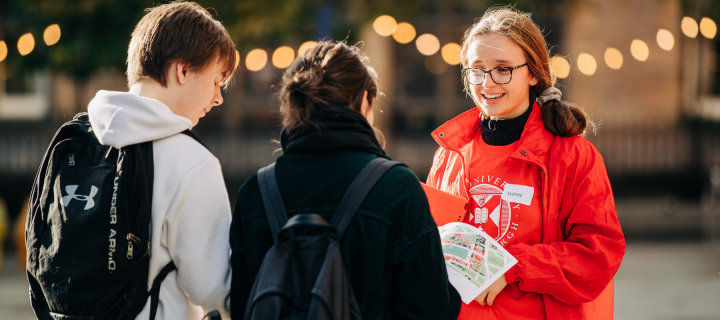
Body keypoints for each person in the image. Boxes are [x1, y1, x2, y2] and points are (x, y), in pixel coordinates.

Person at [230, 41, 461, 319]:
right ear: (364, 100)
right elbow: (430, 309)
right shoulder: (396, 187)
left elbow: (242, 306)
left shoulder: (254, 192)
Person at [426, 7, 626, 320]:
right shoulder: (450, 153)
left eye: (503, 69)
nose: (487, 83)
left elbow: (599, 255)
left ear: (532, 72)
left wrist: (512, 267)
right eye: (477, 69)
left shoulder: (573, 156)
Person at [87, 2, 236, 319]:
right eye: (216, 80)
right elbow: (215, 290)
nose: (218, 97)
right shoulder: (192, 163)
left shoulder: (80, 140)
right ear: (183, 71)